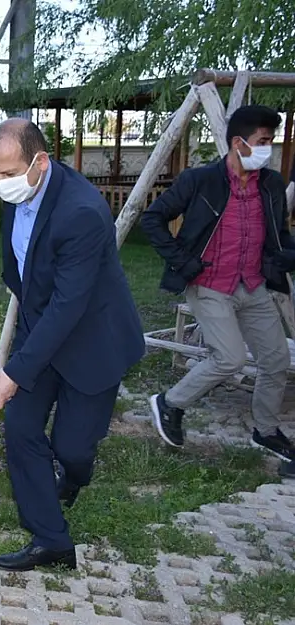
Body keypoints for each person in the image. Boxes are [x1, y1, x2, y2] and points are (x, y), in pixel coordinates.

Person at [0, 118, 145, 572]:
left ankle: (74, 476)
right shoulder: (20, 192)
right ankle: (50, 539)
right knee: (20, 427)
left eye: (9, 174)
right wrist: (23, 352)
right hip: (43, 330)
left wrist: (16, 370)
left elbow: (69, 306)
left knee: (73, 450)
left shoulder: (81, 211)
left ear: (40, 162)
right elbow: (23, 271)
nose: (2, 186)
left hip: (94, 341)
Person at [141, 105, 295, 462]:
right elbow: (153, 219)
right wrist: (182, 260)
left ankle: (266, 430)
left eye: (271, 141)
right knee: (230, 358)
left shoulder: (270, 184)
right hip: (209, 284)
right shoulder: (200, 180)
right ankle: (169, 403)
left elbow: (279, 234)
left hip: (254, 285)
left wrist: (286, 256)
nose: (267, 149)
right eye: (263, 141)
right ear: (238, 143)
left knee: (274, 360)